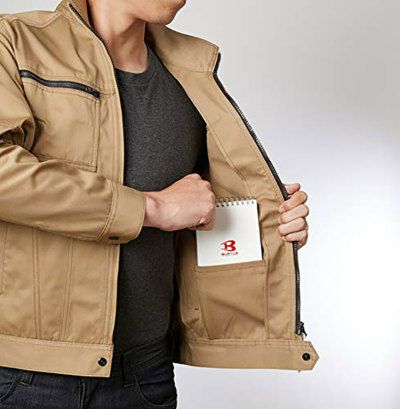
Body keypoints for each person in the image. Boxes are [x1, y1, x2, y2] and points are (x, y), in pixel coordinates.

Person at [0, 0, 311, 407]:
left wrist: (268, 225)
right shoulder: (16, 43)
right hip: (22, 373)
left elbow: (194, 210)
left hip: (146, 374)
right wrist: (151, 208)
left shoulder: (189, 72)